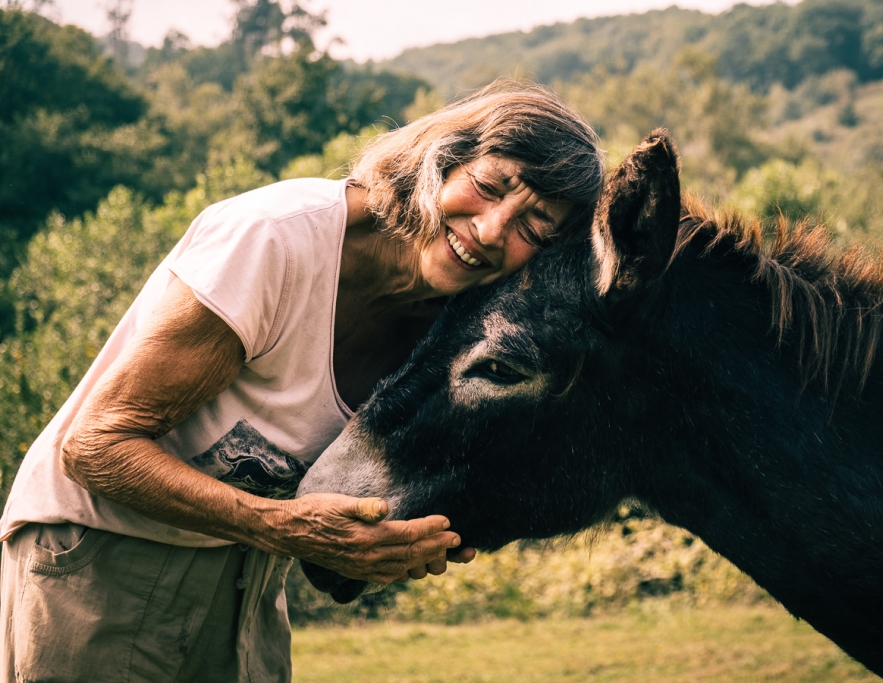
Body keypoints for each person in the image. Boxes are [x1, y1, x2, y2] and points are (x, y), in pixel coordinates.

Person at [0, 81, 603, 682]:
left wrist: (400, 540)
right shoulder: (275, 239)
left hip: (247, 574)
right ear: (442, 159)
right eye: (490, 186)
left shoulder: (464, 315)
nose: (493, 230)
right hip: (102, 557)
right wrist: (286, 528)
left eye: (536, 226)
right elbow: (95, 447)